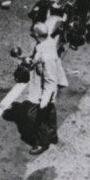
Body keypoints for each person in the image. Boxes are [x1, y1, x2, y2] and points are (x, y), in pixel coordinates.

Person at [21, 22, 68, 155]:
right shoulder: (49, 42)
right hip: (46, 85)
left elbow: (50, 80)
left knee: (34, 115)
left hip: (45, 88)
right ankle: (52, 135)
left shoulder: (47, 57)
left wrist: (44, 101)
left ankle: (42, 142)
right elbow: (38, 57)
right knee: (50, 111)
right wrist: (30, 60)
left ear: (36, 34)